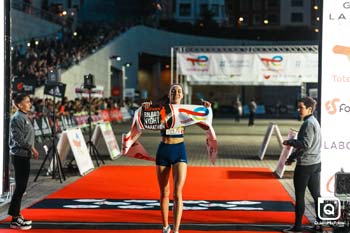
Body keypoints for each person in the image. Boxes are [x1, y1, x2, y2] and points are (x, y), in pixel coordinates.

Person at [142, 84, 211, 233]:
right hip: (163, 151)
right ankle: (165, 226)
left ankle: (177, 229)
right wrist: (145, 108)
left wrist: (206, 111)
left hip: (179, 150)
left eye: (179, 91)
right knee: (164, 193)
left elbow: (205, 126)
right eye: (173, 90)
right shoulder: (160, 109)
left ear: (182, 95)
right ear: (169, 94)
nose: (176, 92)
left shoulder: (186, 111)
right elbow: (145, 122)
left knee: (177, 193)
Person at [282, 96, 321, 233]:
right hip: (315, 163)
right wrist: (292, 157)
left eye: (301, 107)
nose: (299, 109)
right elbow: (307, 146)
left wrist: (289, 142)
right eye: (298, 107)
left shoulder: (308, 123)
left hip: (306, 165)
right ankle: (319, 225)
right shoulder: (314, 121)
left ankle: (297, 227)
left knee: (299, 196)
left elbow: (305, 145)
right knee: (316, 196)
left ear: (309, 109)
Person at [8, 93, 39, 230]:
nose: (29, 103)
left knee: (22, 187)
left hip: (24, 155)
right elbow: (18, 138)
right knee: (20, 186)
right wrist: (32, 148)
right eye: (27, 101)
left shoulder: (24, 117)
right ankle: (14, 219)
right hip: (19, 155)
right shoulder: (17, 118)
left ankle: (17, 215)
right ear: (19, 105)